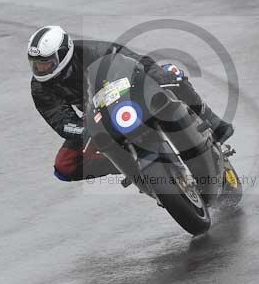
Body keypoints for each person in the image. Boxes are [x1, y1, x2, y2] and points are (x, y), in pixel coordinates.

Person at [28, 25, 233, 182]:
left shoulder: (94, 50)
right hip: (95, 113)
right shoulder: (40, 88)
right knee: (64, 166)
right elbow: (60, 121)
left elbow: (136, 60)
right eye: (36, 64)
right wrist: (85, 131)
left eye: (46, 63)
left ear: (64, 54)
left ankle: (211, 119)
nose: (41, 69)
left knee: (172, 73)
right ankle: (126, 165)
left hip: (129, 92)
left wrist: (158, 76)